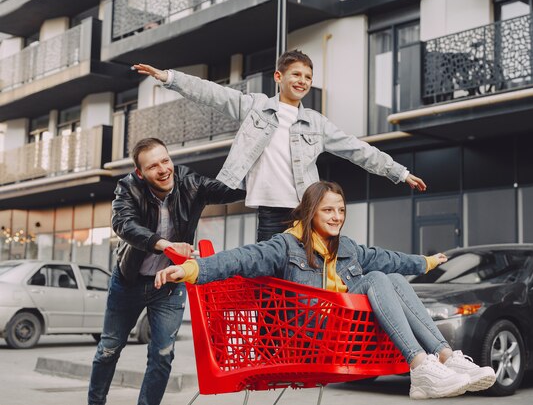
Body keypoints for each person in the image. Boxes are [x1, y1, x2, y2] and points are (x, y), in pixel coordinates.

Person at [154, 181, 496, 400]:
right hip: (307, 335)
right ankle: (421, 365)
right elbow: (242, 259)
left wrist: (425, 263)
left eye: (341, 210)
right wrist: (189, 269)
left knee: (388, 275)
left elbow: (387, 258)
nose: (336, 216)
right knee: (377, 278)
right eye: (328, 210)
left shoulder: (346, 246)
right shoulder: (285, 246)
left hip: (344, 333)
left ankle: (446, 358)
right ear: (311, 211)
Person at [133, 50, 427, 242]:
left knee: (306, 280)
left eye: (308, 77)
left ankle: (301, 338)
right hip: (270, 213)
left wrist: (399, 172)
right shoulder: (255, 107)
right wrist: (168, 78)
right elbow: (213, 93)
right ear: (279, 77)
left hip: (305, 210)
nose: (303, 81)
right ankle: (269, 340)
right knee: (269, 282)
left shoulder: (316, 122)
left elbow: (357, 149)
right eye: (296, 74)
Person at [88, 138, 245, 405]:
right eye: (153, 166)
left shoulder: (190, 183)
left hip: (170, 286)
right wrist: (165, 245)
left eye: (165, 160)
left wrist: (261, 169)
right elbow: (124, 224)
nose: (163, 169)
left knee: (162, 355)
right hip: (129, 281)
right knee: (109, 349)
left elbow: (229, 191)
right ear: (140, 173)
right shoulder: (127, 188)